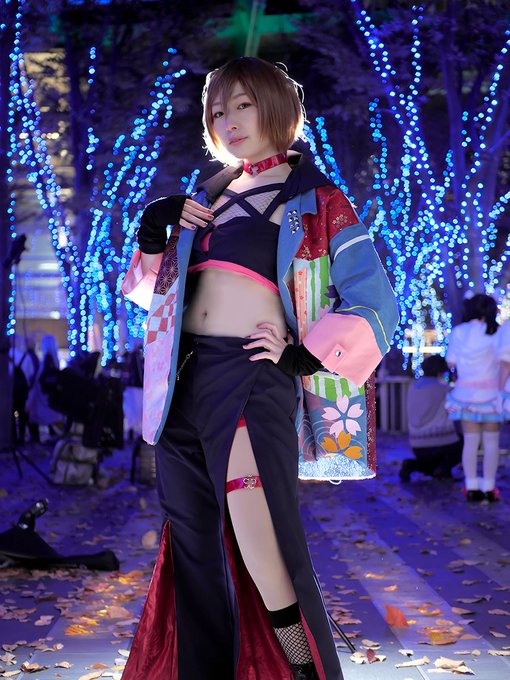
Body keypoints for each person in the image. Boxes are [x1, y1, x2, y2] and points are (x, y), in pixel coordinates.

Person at [121, 57, 399, 680]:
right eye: (218, 110)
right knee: (192, 546)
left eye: (242, 104)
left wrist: (302, 355)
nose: (228, 120)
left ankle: (302, 670)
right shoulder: (205, 197)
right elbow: (151, 297)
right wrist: (152, 232)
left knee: (262, 541)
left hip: (250, 377)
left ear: (276, 106)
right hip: (182, 381)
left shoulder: (316, 200)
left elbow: (375, 301)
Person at [446, 294, 508, 502]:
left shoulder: (459, 332)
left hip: (465, 396)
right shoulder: (497, 332)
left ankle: (471, 487)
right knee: (491, 443)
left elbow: (451, 361)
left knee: (470, 443)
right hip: (492, 396)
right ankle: (489, 488)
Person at [399, 355, 462, 482]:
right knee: (466, 442)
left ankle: (414, 465)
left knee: (427, 461)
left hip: (417, 442)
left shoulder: (413, 387)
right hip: (442, 441)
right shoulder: (443, 389)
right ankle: (443, 469)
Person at [26, 335, 61, 442]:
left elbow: (43, 376)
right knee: (50, 417)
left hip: (42, 394)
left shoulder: (47, 358)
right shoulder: (53, 359)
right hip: (48, 393)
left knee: (35, 415)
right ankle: (52, 436)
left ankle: (36, 439)